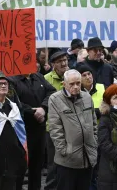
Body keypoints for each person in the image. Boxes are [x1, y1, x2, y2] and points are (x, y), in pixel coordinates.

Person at [48, 69, 98, 190]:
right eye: (71, 84)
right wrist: (64, 150)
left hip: (87, 155)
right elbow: (55, 128)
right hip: (67, 160)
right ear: (64, 84)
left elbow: (94, 123)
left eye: (78, 83)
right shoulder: (55, 99)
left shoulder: (86, 97)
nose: (75, 87)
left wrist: (94, 142)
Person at [9, 72, 56, 190]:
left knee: (36, 167)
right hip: (21, 130)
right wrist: (32, 111)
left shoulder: (38, 76)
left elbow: (52, 92)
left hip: (39, 129)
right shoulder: (12, 79)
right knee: (19, 168)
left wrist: (43, 108)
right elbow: (12, 102)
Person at [44, 51, 69, 190]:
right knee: (53, 164)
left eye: (65, 60)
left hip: (71, 126)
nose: (64, 63)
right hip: (52, 127)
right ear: (53, 64)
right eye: (60, 61)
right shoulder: (46, 79)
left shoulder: (72, 76)